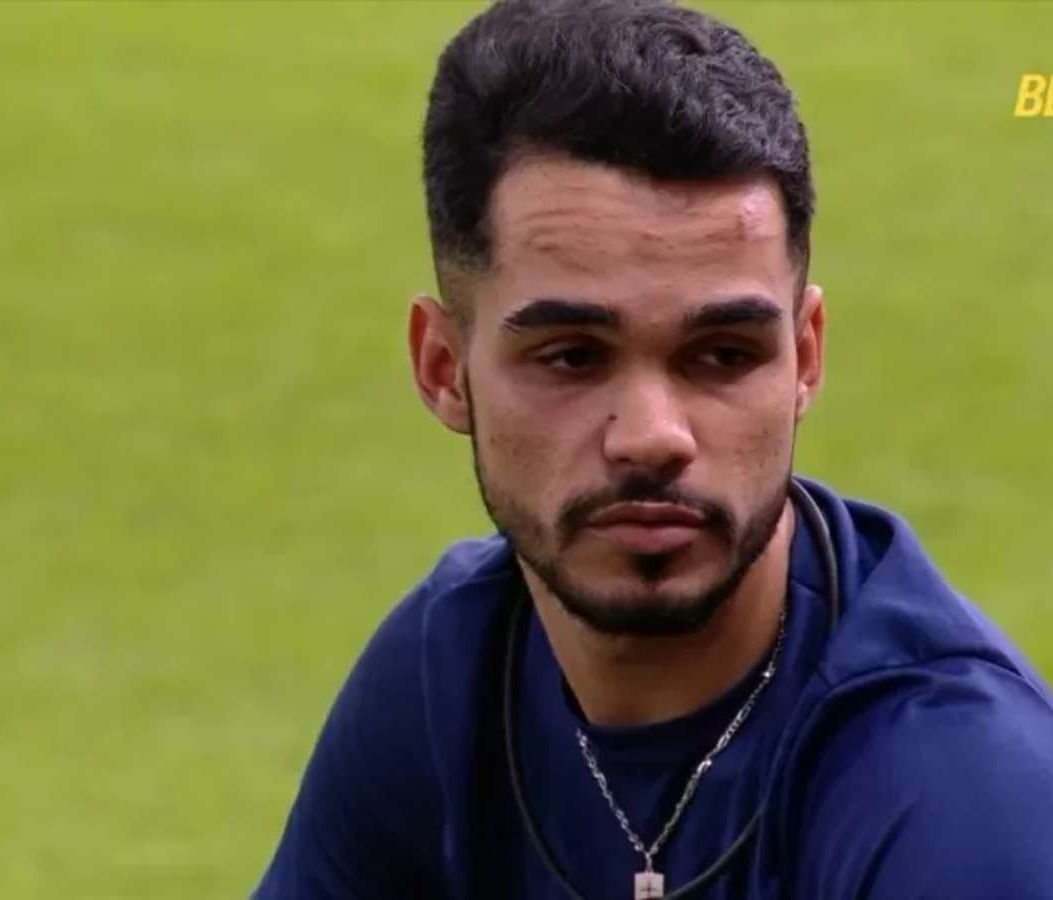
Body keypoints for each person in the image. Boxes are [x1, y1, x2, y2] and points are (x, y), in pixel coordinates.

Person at [254, 1, 1053, 897]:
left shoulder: (955, 791)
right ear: (444, 369)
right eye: (572, 357)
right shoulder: (453, 669)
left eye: (723, 355)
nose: (652, 437)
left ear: (805, 358)